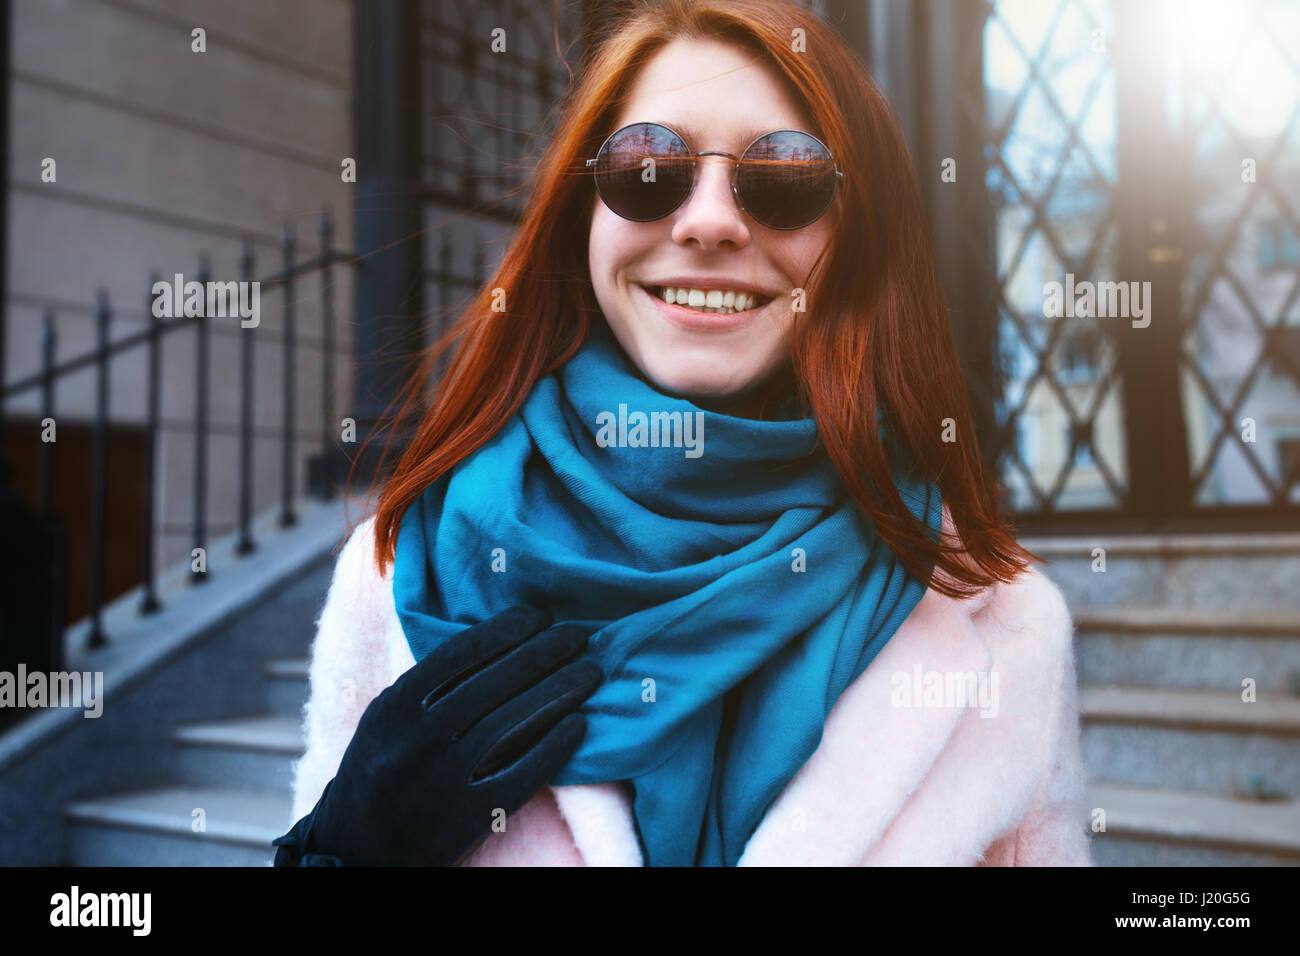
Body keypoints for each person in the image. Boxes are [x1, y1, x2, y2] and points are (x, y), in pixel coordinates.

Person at [273, 0, 1092, 867]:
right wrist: (339, 852)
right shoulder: (400, 574)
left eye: (782, 177)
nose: (708, 221)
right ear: (580, 217)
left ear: (854, 242)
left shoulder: (1009, 631)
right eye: (649, 168)